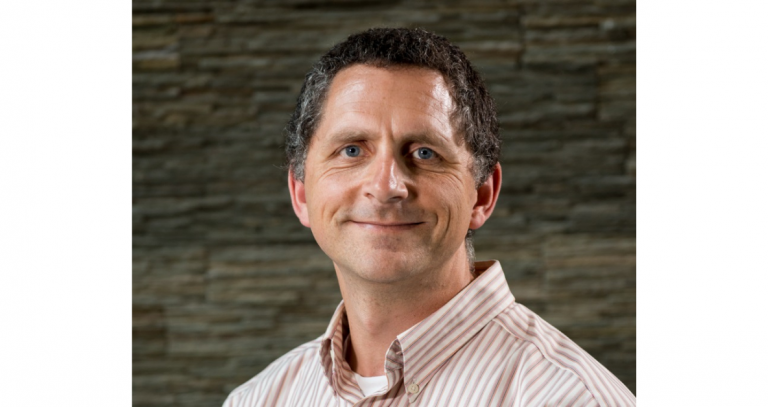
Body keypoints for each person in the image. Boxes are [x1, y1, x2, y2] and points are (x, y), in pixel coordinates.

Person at [223, 27, 635, 406]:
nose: (386, 187)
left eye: (424, 152)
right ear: (300, 193)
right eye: (352, 150)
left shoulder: (568, 398)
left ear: (482, 194)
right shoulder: (258, 399)